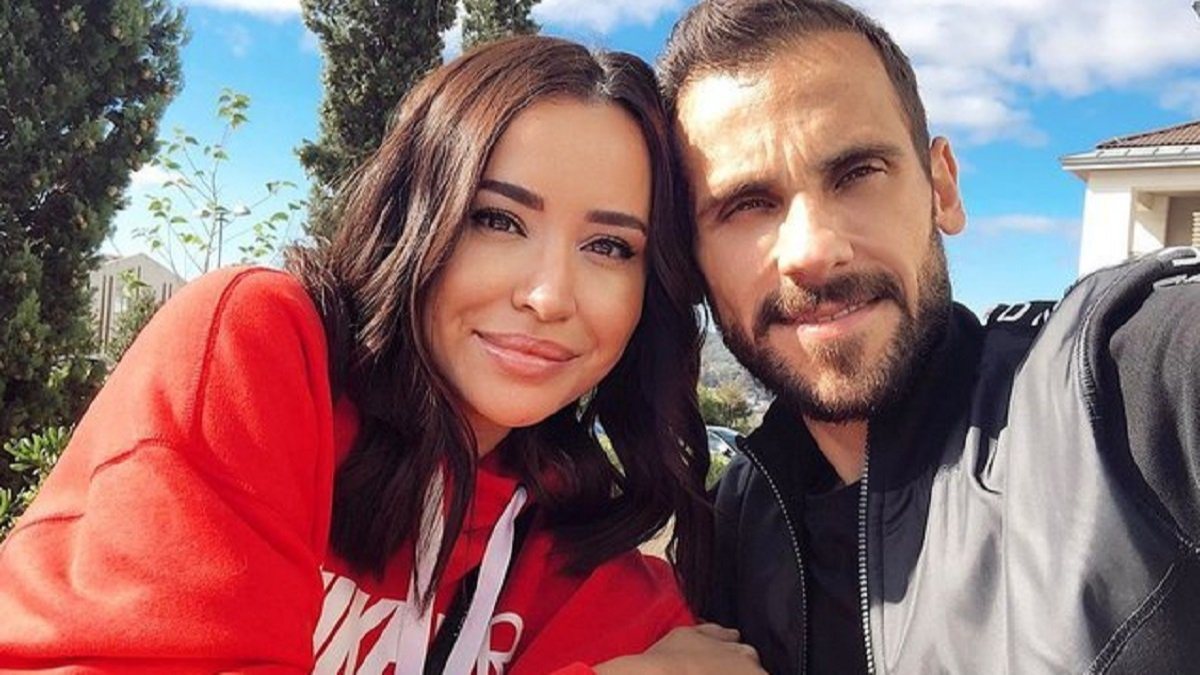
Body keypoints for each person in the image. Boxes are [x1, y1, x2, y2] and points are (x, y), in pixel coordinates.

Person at [0, 36, 763, 674]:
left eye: (609, 246)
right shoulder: (258, 351)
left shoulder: (570, 542)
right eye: (497, 220)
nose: (549, 295)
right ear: (414, 218)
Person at [659, 1, 1200, 673]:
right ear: (691, 260)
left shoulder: (1112, 393)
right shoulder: (735, 522)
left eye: (857, 173)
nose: (813, 250)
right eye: (746, 205)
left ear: (941, 186)